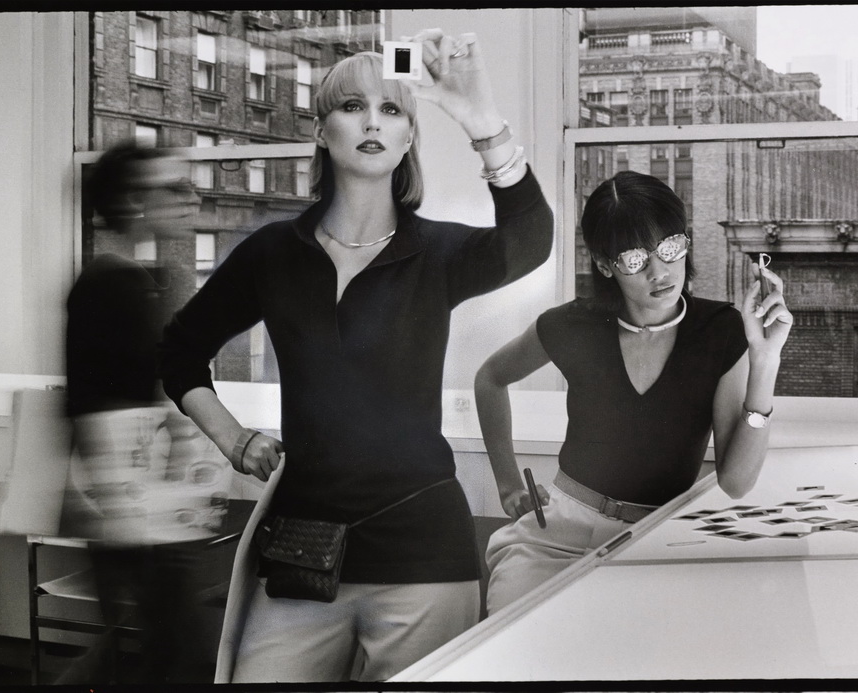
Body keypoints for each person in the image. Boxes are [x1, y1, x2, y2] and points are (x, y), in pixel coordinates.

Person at [158, 29, 553, 683]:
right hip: (302, 554)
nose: (373, 120)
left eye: (392, 109)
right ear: (322, 131)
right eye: (352, 106)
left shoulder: (436, 253)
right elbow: (179, 351)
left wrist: (481, 119)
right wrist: (234, 440)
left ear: (406, 140)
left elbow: (531, 238)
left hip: (426, 557)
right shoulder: (273, 254)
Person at [477, 170, 793, 614]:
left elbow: (736, 482)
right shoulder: (572, 325)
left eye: (669, 248)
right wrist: (509, 486)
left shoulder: (719, 331)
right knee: (512, 659)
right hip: (557, 536)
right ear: (605, 265)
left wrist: (765, 360)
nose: (659, 271)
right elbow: (491, 377)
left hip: (657, 538)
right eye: (633, 259)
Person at [63, 140, 217, 684]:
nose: (190, 199)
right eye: (173, 189)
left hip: (147, 505)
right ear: (132, 204)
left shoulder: (136, 282)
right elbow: (97, 402)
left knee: (154, 651)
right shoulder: (110, 288)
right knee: (174, 656)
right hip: (141, 507)